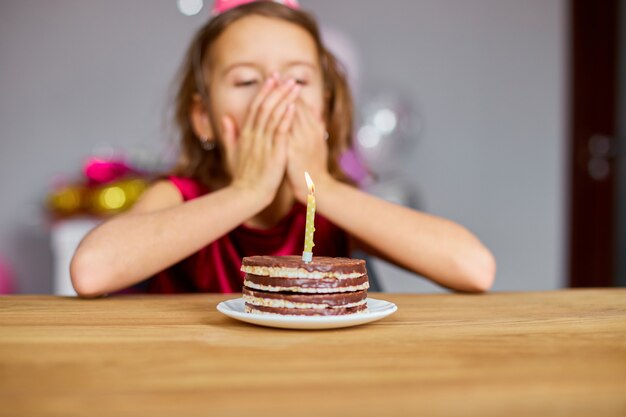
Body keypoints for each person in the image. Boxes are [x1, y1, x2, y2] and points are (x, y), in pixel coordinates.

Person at [70, 0, 496, 297]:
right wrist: (247, 192)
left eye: (297, 81)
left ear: (324, 112)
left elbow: (474, 268)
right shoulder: (180, 196)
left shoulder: (336, 206)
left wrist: (322, 189)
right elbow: (91, 272)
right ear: (204, 119)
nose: (274, 100)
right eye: (246, 81)